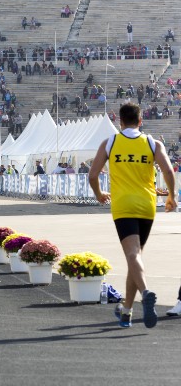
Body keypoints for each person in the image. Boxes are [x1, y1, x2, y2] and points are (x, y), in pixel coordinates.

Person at [89, 103, 176, 328]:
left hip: (124, 205)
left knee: (132, 255)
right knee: (134, 256)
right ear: (140, 121)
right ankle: (127, 311)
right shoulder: (152, 143)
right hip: (147, 205)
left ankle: (146, 292)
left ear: (120, 121)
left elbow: (92, 174)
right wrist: (171, 197)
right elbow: (168, 170)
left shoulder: (111, 142)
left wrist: (99, 194)